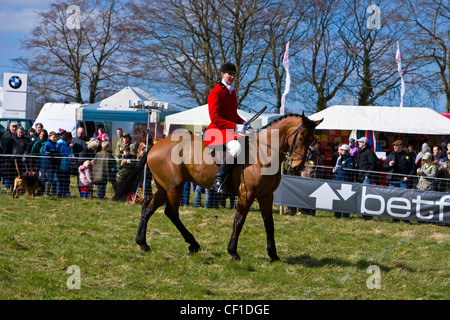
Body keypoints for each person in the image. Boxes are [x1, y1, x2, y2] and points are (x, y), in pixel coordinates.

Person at [204, 62, 248, 193]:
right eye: (230, 74)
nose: (232, 77)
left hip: (228, 131)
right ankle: (218, 179)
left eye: (234, 74)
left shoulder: (232, 92)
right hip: (216, 131)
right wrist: (236, 126)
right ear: (222, 74)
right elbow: (215, 118)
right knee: (237, 147)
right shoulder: (215, 92)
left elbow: (233, 115)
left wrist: (245, 123)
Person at [383, 140, 415, 222]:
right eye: (394, 146)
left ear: (401, 146)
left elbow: (413, 168)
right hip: (393, 181)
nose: (395, 147)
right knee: (393, 200)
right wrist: (389, 165)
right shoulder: (391, 155)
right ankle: (395, 219)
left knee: (405, 200)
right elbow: (384, 167)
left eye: (397, 146)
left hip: (402, 181)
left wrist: (408, 177)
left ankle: (405, 219)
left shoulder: (407, 156)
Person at [356, 137, 379, 221]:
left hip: (366, 178)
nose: (358, 143)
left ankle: (368, 215)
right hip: (361, 177)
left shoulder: (369, 152)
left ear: (364, 143)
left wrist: (367, 175)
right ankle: (364, 214)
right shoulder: (362, 152)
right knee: (363, 196)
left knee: (367, 196)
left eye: (360, 142)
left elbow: (373, 164)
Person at [333, 144, 355, 219]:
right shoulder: (340, 159)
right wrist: (335, 171)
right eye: (341, 150)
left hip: (346, 180)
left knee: (346, 198)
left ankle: (346, 215)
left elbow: (351, 169)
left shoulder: (350, 159)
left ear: (347, 151)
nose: (342, 151)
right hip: (338, 179)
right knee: (337, 198)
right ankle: (337, 214)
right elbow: (338, 167)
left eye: (343, 150)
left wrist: (342, 168)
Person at [42, 131, 61, 196]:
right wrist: (49, 154)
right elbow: (44, 151)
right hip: (48, 164)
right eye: (54, 137)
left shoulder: (55, 144)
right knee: (49, 178)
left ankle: (53, 192)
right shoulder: (47, 144)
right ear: (50, 137)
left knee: (54, 178)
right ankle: (46, 192)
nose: (55, 138)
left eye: (56, 137)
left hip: (53, 164)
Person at [56, 132, 74, 197]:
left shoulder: (68, 144)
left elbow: (70, 153)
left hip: (67, 165)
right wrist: (69, 148)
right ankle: (59, 193)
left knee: (67, 180)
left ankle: (66, 193)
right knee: (60, 180)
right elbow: (62, 153)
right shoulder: (60, 143)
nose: (71, 140)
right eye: (70, 139)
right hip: (61, 165)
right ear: (68, 138)